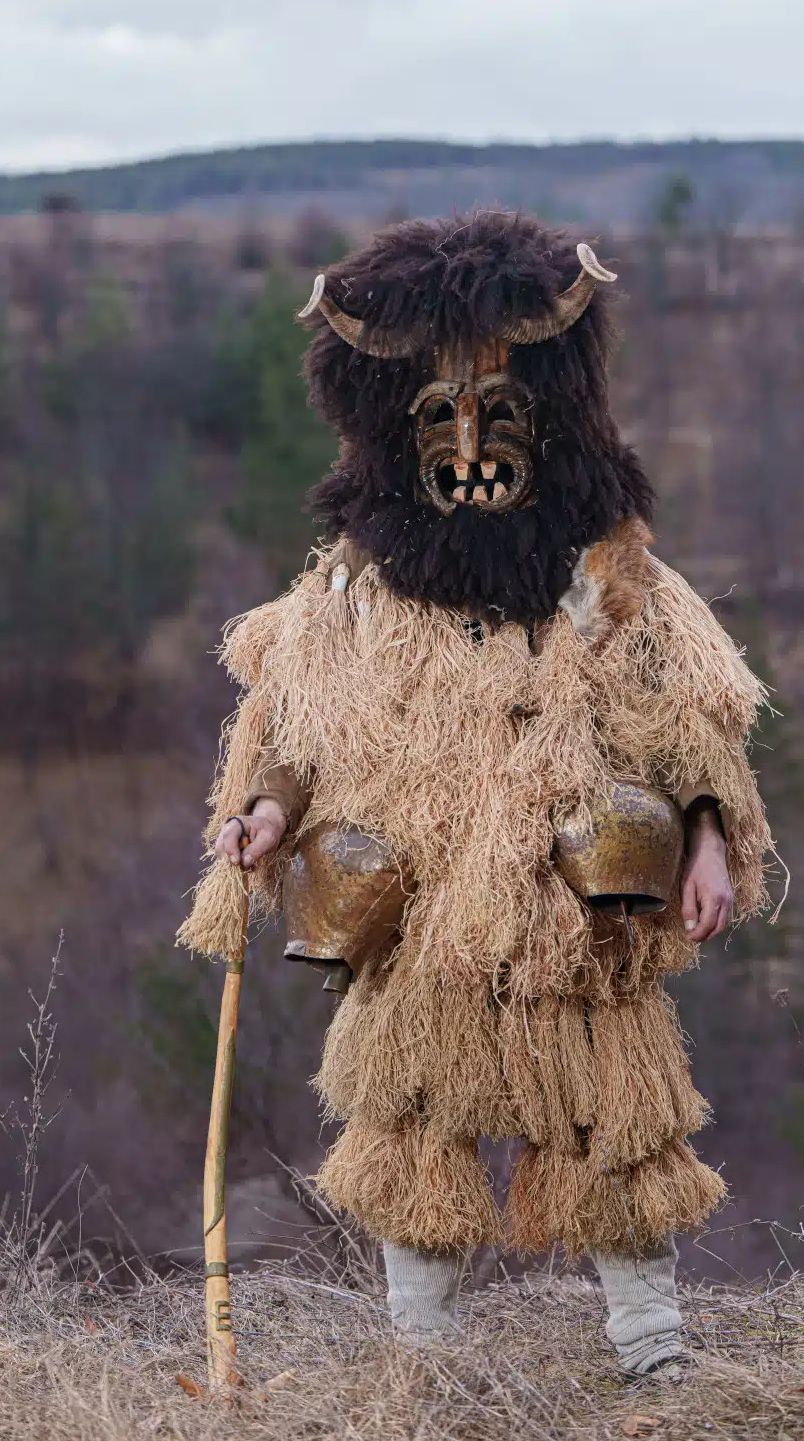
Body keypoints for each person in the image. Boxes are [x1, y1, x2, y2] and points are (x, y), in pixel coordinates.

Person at [179, 212, 774, 1377]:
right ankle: (421, 1351)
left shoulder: (611, 575)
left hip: (579, 903)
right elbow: (303, 726)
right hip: (425, 907)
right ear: (390, 435)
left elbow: (685, 723)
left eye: (498, 414)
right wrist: (267, 810)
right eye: (435, 420)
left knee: (618, 1105)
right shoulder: (357, 593)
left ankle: (650, 1342)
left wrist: (704, 840)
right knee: (408, 1111)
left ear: (549, 417)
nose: (469, 447)